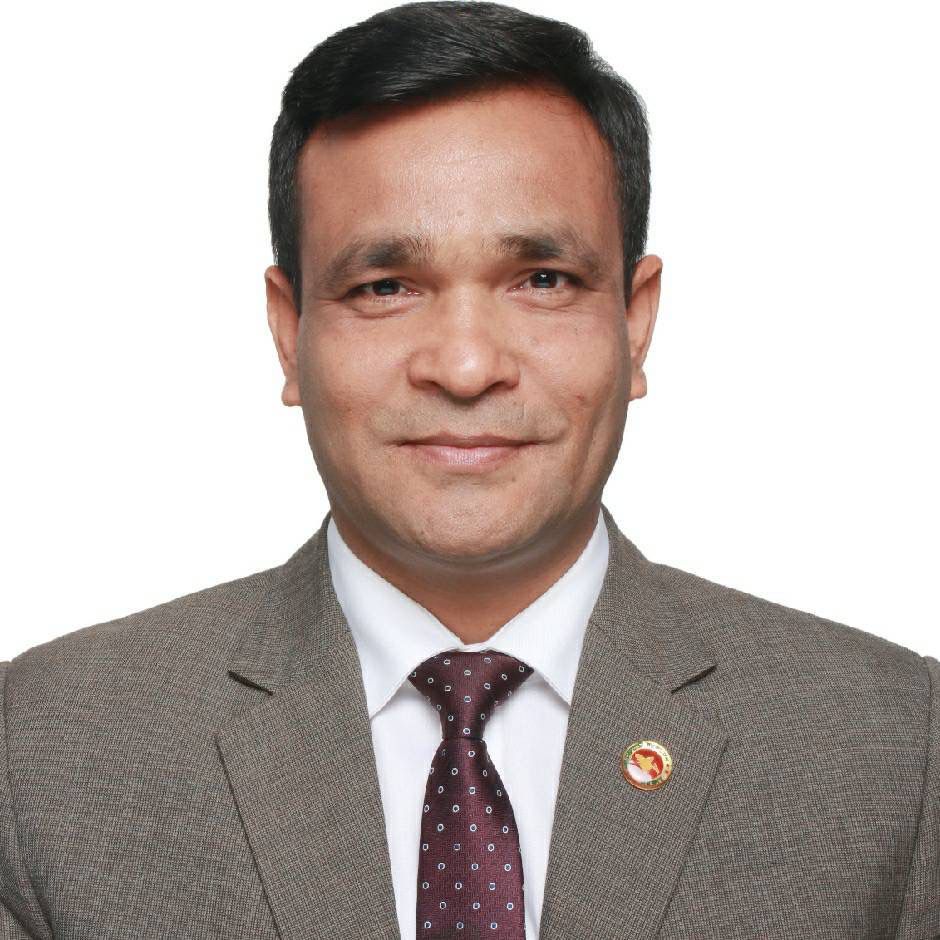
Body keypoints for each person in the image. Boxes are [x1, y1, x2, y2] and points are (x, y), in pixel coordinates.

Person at [1, 2, 937, 937]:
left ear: (635, 320)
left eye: (543, 280)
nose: (464, 365)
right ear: (290, 334)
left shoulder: (895, 749)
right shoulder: (43, 753)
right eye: (385, 287)